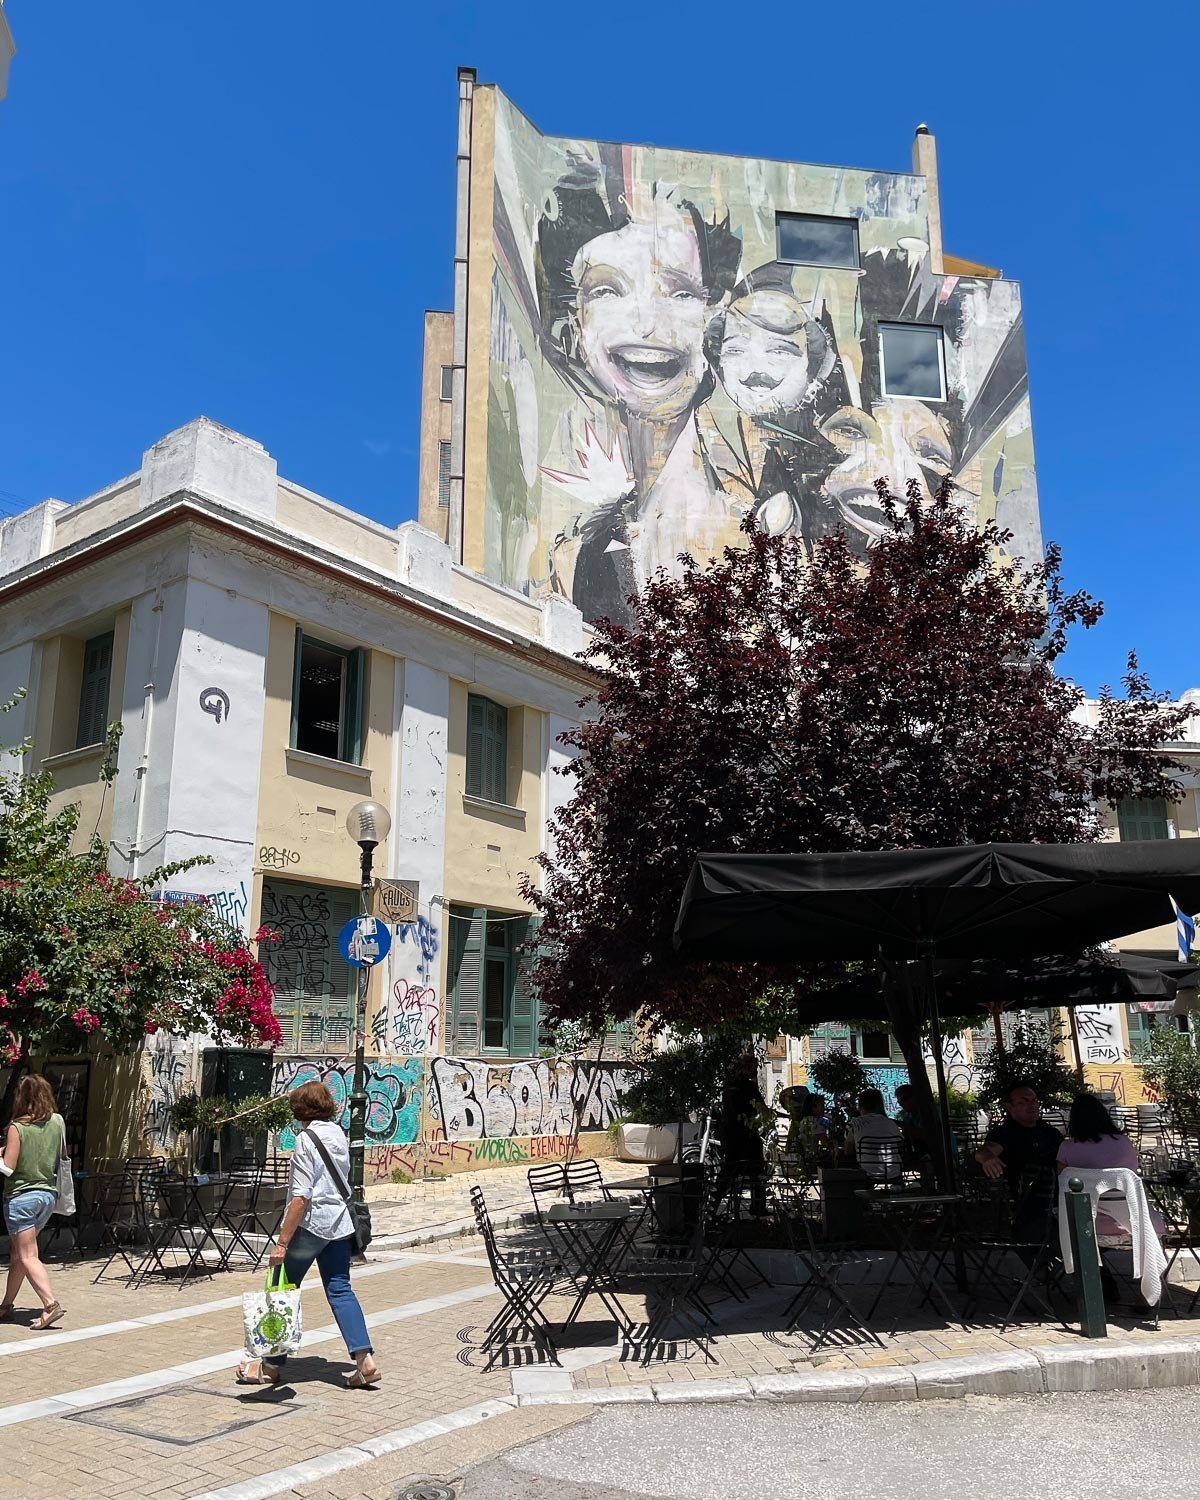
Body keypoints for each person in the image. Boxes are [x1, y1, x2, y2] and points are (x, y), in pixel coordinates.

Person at [236, 1082, 380, 1389]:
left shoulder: (305, 1140)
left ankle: (271, 1366)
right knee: (340, 1290)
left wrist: (282, 1242)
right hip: (340, 1225)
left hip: (311, 1226)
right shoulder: (338, 1133)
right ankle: (364, 1360)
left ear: (299, 1110)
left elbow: (301, 1196)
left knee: (282, 1290)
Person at [0, 1073, 67, 1328]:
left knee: (27, 1255)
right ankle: (6, 1306)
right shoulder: (56, 1123)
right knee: (20, 1254)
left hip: (21, 1198)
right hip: (47, 1196)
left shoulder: (17, 1127)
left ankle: (50, 1305)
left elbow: (8, 1168)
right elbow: (59, 1156)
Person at [1056, 1094, 1164, 1239]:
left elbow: (1064, 1186)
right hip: (1139, 1223)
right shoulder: (1124, 1143)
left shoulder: (1067, 1148)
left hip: (1089, 1227)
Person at [975, 1083, 1063, 1241]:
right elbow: (984, 1151)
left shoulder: (1051, 1133)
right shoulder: (1005, 1133)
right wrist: (988, 1159)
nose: (1032, 1106)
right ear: (1010, 1107)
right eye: (1023, 1102)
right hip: (1027, 1203)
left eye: (1034, 1101)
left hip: (1060, 1198)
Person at [715, 1053, 771, 1212]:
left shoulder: (729, 1086)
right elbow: (761, 1108)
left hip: (731, 1134)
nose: (754, 1070)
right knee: (756, 1169)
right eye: (752, 1067)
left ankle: (712, 1207)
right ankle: (758, 1206)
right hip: (743, 1134)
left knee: (729, 1172)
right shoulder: (748, 1087)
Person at [846, 1088, 905, 1182]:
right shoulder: (891, 1123)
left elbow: (848, 1151)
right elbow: (900, 1146)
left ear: (860, 1106)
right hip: (893, 1173)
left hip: (868, 1174)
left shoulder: (855, 1124)